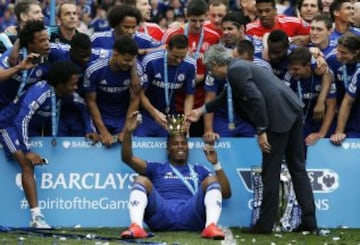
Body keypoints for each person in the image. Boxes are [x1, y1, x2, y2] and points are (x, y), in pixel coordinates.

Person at [187, 44, 317, 234]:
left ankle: (265, 225)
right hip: (292, 108)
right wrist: (201, 111)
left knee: (270, 171)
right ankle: (309, 221)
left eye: (210, 69)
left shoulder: (236, 71)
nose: (211, 74)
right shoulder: (238, 66)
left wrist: (261, 130)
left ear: (215, 64)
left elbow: (256, 99)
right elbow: (225, 97)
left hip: (279, 116)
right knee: (297, 167)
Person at [0, 61, 89, 228]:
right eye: (72, 84)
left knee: (32, 164)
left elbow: (83, 106)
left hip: (26, 129)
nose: (75, 87)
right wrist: (27, 150)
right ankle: (36, 218)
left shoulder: (64, 93)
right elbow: (21, 120)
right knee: (27, 164)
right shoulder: (41, 92)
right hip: (8, 125)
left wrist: (89, 129)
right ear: (61, 84)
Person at [120, 112, 231, 240]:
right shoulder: (157, 168)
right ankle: (137, 227)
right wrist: (128, 132)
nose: (180, 147)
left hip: (191, 214)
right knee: (140, 179)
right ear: (168, 149)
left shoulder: (199, 169)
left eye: (183, 143)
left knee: (211, 179)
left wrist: (216, 164)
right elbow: (127, 158)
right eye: (175, 144)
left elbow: (226, 193)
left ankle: (210, 227)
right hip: (162, 213)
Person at [84, 36, 144, 146]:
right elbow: (91, 101)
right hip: (100, 115)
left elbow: (134, 101)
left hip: (123, 116)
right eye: (126, 60)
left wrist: (126, 130)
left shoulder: (137, 72)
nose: (130, 64)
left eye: (132, 60)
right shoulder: (94, 70)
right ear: (115, 54)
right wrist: (103, 131)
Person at [135, 34, 196, 137]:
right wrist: (154, 113)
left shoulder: (190, 64)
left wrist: (187, 118)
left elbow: (189, 95)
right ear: (167, 48)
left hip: (171, 114)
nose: (179, 61)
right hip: (147, 112)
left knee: (178, 142)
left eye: (182, 57)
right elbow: (139, 93)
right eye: (175, 56)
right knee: (142, 143)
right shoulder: (150, 61)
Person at [285, 47, 337, 147]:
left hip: (323, 119)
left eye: (296, 69)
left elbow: (331, 107)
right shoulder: (289, 76)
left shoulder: (323, 72)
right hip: (301, 120)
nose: (292, 71)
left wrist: (321, 133)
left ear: (307, 66)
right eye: (290, 68)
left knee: (324, 143)